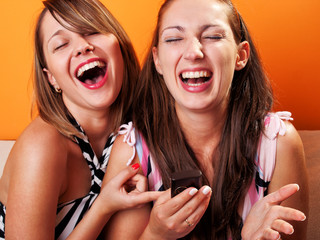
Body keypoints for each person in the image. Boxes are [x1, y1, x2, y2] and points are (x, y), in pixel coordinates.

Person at [102, 0, 309, 239]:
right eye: (173, 39)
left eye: (212, 36)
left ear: (241, 55)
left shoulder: (279, 143)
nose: (193, 52)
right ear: (158, 60)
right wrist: (155, 234)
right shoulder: (132, 151)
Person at [0, 0, 161, 239]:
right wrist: (103, 206)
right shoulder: (42, 145)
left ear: (119, 48)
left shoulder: (132, 137)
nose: (82, 46)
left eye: (92, 31)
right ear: (51, 78)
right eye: (61, 44)